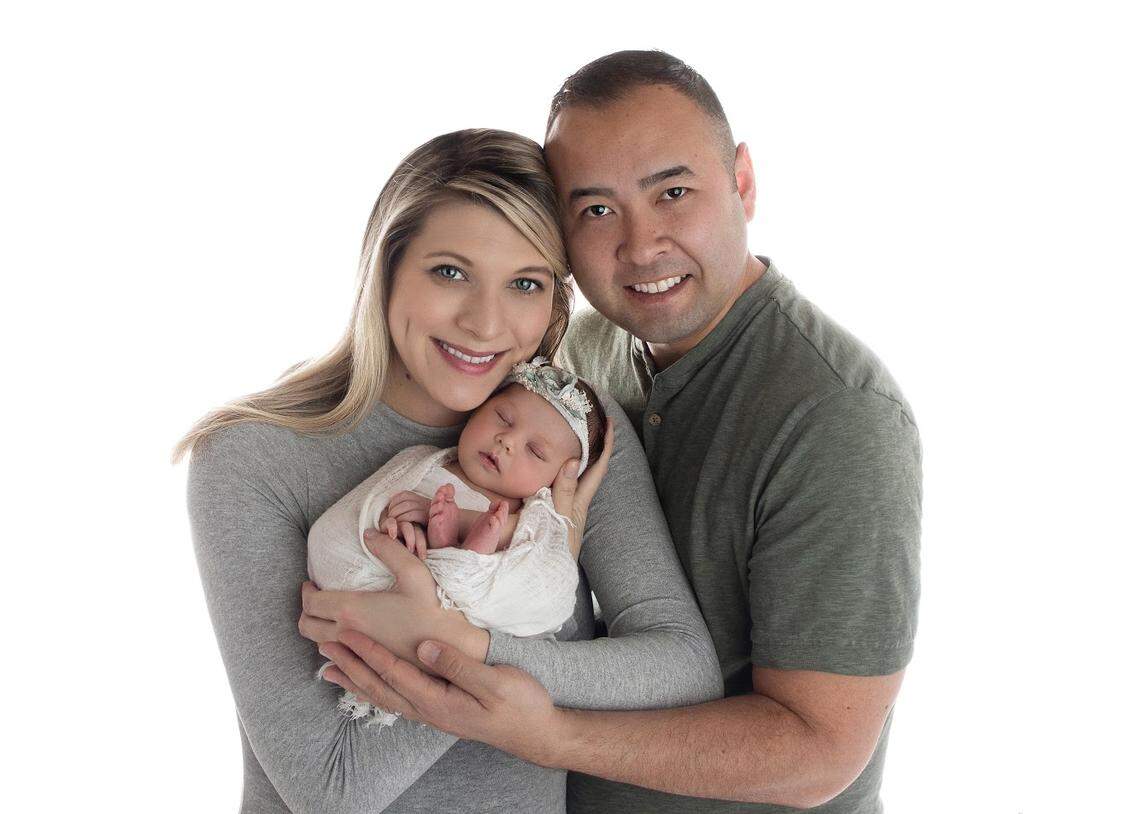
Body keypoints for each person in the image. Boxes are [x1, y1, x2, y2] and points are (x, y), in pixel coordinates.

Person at [312, 52, 922, 812]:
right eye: (597, 210)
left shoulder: (837, 418)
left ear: (742, 182)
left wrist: (544, 731)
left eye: (673, 193)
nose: (640, 245)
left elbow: (819, 754)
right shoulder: (580, 361)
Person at [178, 128, 721, 812]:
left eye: (525, 283)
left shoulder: (569, 433)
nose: (485, 324)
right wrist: (484, 630)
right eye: (450, 272)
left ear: (556, 300)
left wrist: (468, 643)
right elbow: (331, 787)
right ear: (386, 269)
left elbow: (683, 669)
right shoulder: (255, 457)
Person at [307, 360, 607, 724]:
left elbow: (536, 549)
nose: (507, 441)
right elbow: (378, 503)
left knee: (508, 544)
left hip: (466, 604)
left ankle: (461, 555)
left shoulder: (530, 509)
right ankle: (448, 551)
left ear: (558, 479)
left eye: (536, 451)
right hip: (385, 590)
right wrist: (394, 524)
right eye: (502, 417)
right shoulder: (423, 462)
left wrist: (461, 519)